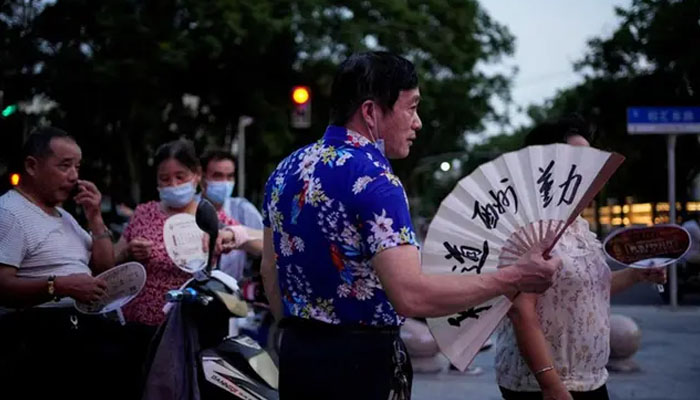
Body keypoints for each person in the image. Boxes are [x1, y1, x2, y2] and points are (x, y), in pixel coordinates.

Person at [260, 51, 561, 400]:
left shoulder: (285, 171)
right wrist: (513, 277)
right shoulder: (375, 179)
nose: (417, 122)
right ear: (371, 111)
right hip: (360, 367)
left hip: (297, 357)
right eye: (412, 106)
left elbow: (270, 270)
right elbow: (409, 295)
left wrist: (300, 334)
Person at [494, 116, 667, 400]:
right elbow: (520, 310)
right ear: (545, 164)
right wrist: (551, 385)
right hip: (543, 385)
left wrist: (636, 274)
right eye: (576, 158)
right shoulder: (529, 225)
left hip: (590, 378)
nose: (588, 168)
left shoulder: (577, 225)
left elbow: (585, 290)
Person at [0, 127, 130, 398]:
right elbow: (2, 285)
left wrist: (94, 216)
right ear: (32, 166)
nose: (74, 176)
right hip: (40, 342)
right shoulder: (10, 212)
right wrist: (59, 286)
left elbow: (104, 267)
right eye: (64, 166)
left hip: (86, 332)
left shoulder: (63, 216)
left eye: (77, 167)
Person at [199, 150, 263, 280]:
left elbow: (268, 243)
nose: (225, 182)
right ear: (202, 177)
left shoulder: (242, 209)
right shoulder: (189, 209)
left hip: (233, 291)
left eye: (230, 176)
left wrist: (237, 237)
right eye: (217, 176)